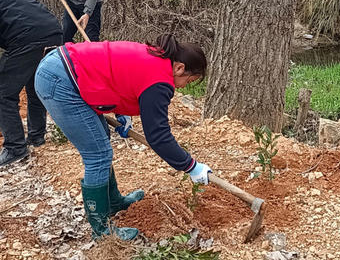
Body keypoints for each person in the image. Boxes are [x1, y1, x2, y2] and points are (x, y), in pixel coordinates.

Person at [34, 34, 211, 240]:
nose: (183, 87)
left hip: (63, 68)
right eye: (188, 81)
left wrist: (122, 111)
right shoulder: (160, 78)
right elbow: (158, 136)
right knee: (98, 155)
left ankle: (114, 202)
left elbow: (119, 75)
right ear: (179, 68)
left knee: (101, 141)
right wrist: (190, 166)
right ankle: (102, 231)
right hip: (62, 81)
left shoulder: (155, 57)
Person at [0, 0, 62, 167]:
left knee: (3, 93)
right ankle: (36, 137)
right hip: (53, 32)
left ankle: (15, 147)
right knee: (36, 86)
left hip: (27, 38)